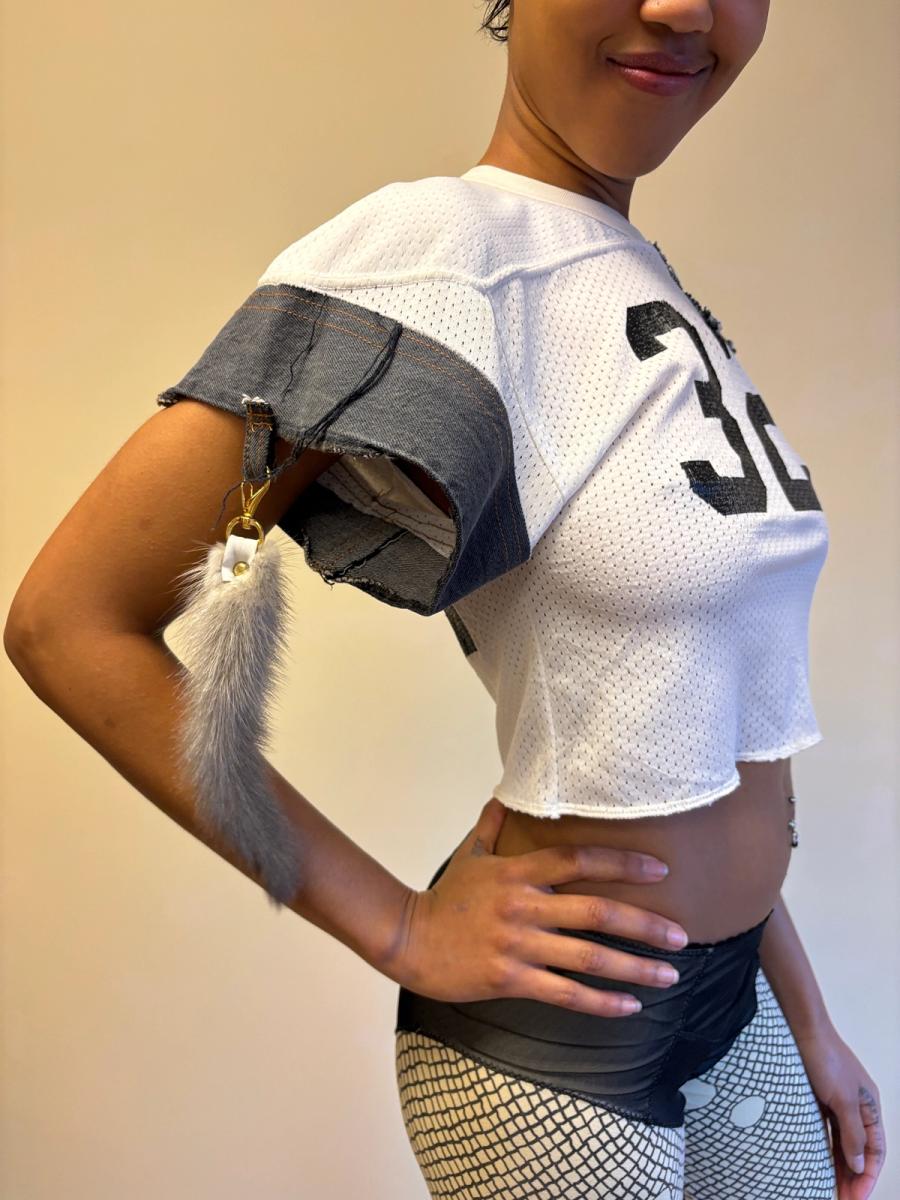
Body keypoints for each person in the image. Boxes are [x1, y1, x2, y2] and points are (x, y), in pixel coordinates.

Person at [2, 1, 885, 1197]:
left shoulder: (635, 274)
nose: (683, 6)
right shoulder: (427, 258)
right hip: (558, 1055)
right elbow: (69, 621)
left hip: (739, 995)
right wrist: (400, 928)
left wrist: (810, 1019)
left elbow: (696, 734)